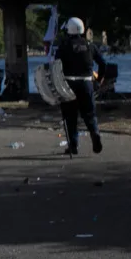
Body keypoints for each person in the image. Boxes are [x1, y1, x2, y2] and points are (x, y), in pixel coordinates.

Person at [54, 17, 106, 155]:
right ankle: (94, 133)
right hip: (86, 83)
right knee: (89, 114)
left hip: (69, 84)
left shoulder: (64, 46)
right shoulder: (90, 45)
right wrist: (98, 80)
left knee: (70, 116)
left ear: (69, 30)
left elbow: (55, 66)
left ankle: (73, 145)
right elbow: (103, 63)